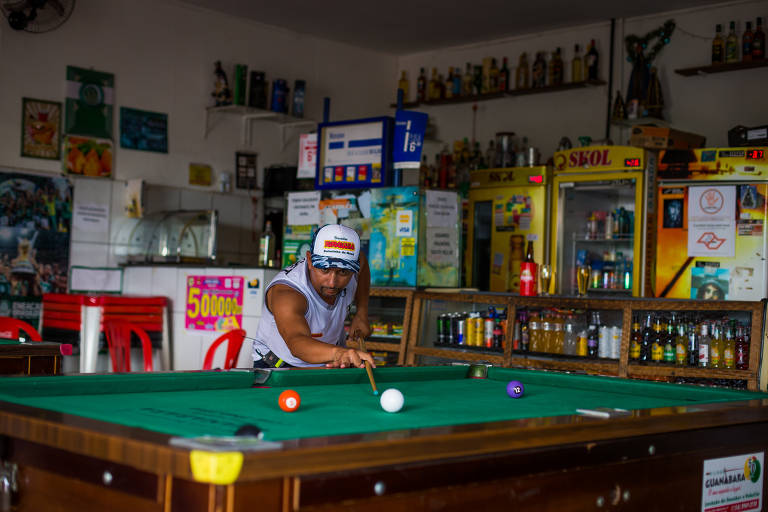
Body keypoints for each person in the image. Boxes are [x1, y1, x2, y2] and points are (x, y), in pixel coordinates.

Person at [252, 224, 374, 369]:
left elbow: (363, 264)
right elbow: (297, 342)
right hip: (279, 366)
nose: (332, 283)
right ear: (309, 260)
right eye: (324, 269)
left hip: (328, 361)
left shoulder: (355, 266)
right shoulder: (287, 292)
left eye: (343, 272)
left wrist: (361, 313)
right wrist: (340, 353)